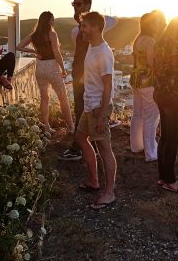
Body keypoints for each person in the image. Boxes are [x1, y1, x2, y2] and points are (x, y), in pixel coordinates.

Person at [58, 0, 117, 161]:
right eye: (73, 4)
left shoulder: (90, 30)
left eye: (78, 4)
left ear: (87, 5)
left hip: (87, 77)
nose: (74, 7)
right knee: (81, 110)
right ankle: (85, 147)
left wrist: (93, 19)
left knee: (85, 110)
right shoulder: (75, 30)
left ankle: (79, 149)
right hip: (80, 75)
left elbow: (112, 20)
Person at [74, 12, 117, 209]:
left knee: (105, 149)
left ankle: (109, 193)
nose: (81, 29)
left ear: (96, 28)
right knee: (80, 138)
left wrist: (101, 116)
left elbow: (108, 86)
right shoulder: (92, 46)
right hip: (89, 103)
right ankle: (94, 181)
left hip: (98, 107)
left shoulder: (104, 53)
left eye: (84, 26)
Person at [16, 11, 74, 130]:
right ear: (48, 21)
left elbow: (19, 46)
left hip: (40, 67)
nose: (54, 22)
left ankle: (47, 126)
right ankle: (71, 126)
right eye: (52, 20)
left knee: (44, 98)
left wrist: (35, 52)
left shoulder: (34, 35)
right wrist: (63, 68)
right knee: (63, 97)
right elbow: (56, 53)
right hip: (52, 67)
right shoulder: (52, 34)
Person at [153, 16, 178, 193]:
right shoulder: (172, 46)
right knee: (172, 139)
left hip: (161, 93)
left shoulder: (160, 42)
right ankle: (170, 180)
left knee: (165, 137)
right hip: (175, 96)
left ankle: (163, 177)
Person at [129, 12, 161, 162]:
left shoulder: (138, 39)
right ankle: (151, 152)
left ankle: (136, 145)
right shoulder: (150, 41)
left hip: (135, 79)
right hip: (147, 81)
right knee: (151, 116)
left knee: (138, 114)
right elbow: (151, 63)